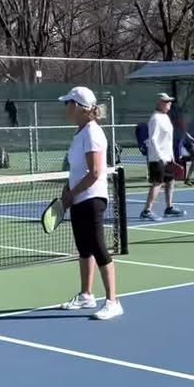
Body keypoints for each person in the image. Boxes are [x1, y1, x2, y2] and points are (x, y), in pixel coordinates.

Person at [56, 86, 122, 320]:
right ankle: (86, 295)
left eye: (68, 103)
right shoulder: (80, 132)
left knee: (98, 247)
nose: (65, 107)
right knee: (84, 249)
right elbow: (77, 170)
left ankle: (113, 301)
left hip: (92, 198)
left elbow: (95, 172)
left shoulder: (93, 133)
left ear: (79, 108)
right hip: (79, 198)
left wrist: (72, 193)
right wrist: (67, 189)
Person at [140, 93, 186, 221]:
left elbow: (168, 139)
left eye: (169, 101)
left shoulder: (165, 117)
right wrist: (160, 157)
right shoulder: (155, 118)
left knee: (170, 181)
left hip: (167, 157)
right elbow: (153, 139)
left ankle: (169, 208)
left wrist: (171, 157)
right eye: (166, 102)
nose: (169, 103)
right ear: (159, 103)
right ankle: (147, 210)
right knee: (157, 183)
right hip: (157, 158)